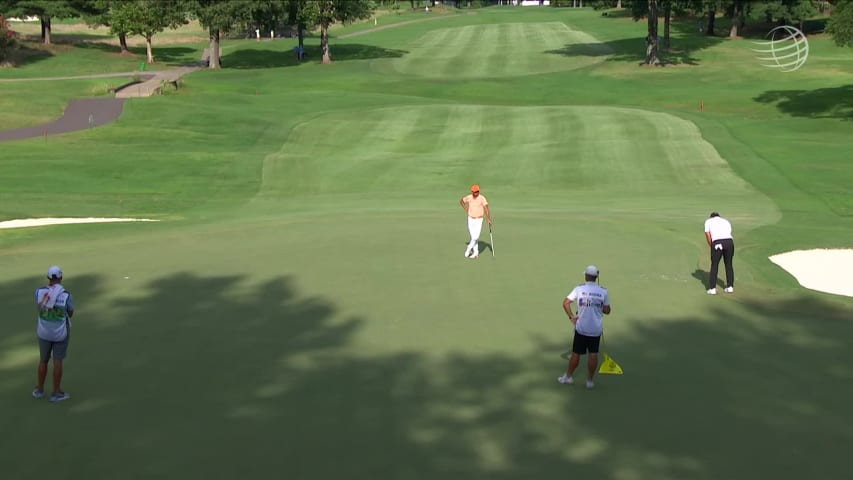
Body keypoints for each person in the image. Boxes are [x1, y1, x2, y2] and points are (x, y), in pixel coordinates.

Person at [559, 265, 611, 389]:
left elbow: (565, 302)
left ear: (586, 276)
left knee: (576, 353)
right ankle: (589, 381)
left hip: (581, 328)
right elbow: (607, 310)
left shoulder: (579, 289)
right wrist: (599, 305)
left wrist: (571, 317)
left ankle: (568, 377)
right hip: (596, 329)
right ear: (596, 276)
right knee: (593, 354)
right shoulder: (603, 291)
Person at [33, 266, 74, 402]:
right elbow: (70, 313)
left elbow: (39, 307)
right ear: (61, 278)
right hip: (60, 333)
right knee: (57, 361)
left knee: (43, 360)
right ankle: (56, 393)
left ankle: (39, 390)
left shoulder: (39, 292)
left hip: (43, 332)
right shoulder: (66, 294)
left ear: (49, 278)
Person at [704, 212, 735, 294]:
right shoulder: (726, 221)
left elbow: (707, 234)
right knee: (728, 264)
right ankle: (730, 287)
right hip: (729, 242)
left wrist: (712, 245)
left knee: (714, 265)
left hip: (717, 242)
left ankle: (712, 289)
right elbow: (729, 233)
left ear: (711, 217)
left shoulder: (708, 221)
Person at [459, 184, 492, 259]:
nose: (476, 193)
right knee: (473, 236)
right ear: (472, 192)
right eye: (474, 192)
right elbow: (461, 201)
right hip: (470, 219)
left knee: (476, 236)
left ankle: (468, 248)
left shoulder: (482, 198)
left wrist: (488, 219)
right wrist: (466, 209)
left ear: (479, 191)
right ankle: (476, 253)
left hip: (479, 220)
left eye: (477, 192)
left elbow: (486, 208)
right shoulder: (469, 197)